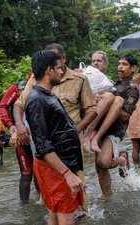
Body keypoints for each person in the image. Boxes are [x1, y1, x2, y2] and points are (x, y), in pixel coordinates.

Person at [14, 43, 97, 211]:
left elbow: (92, 110)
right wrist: (20, 125)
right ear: (47, 70)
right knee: (58, 204)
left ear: (62, 60)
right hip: (49, 150)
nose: (56, 69)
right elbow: (19, 105)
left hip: (69, 147)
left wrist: (76, 129)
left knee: (77, 197)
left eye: (55, 62)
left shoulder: (79, 79)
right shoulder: (36, 85)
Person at [25, 50, 84, 225]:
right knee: (65, 215)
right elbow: (42, 144)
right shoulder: (37, 100)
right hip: (55, 167)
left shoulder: (48, 95)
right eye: (59, 68)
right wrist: (67, 174)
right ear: (49, 70)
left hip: (61, 164)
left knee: (56, 214)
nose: (62, 72)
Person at [90, 55, 140, 198]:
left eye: (124, 64)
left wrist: (111, 103)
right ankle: (106, 196)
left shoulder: (132, 89)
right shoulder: (113, 84)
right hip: (101, 126)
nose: (120, 67)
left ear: (133, 68)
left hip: (115, 130)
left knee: (104, 162)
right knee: (99, 167)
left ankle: (122, 159)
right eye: (119, 64)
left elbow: (126, 115)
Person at [0, 79, 38, 203]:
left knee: (41, 171)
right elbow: (2, 107)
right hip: (21, 136)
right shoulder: (16, 88)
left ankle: (44, 201)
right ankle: (24, 206)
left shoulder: (48, 83)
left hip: (39, 136)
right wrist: (11, 126)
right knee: (26, 174)